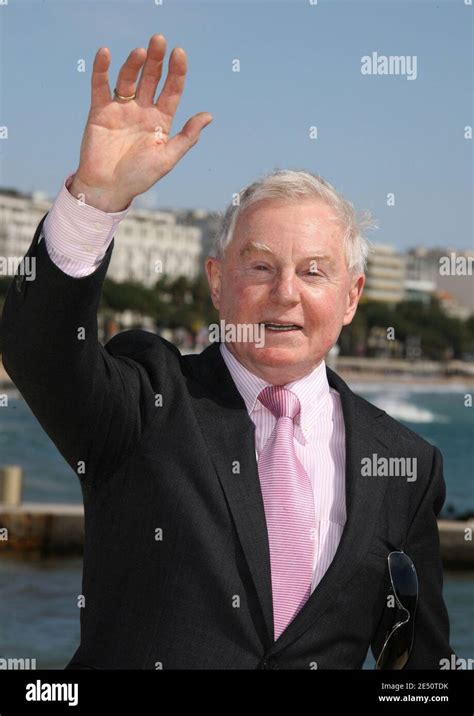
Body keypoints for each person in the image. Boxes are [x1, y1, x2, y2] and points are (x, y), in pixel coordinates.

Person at [0, 34, 454, 670]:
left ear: (352, 298)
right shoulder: (146, 402)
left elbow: (418, 668)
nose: (285, 295)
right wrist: (96, 200)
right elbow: (38, 350)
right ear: (217, 281)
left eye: (315, 272)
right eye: (260, 266)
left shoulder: (406, 464)